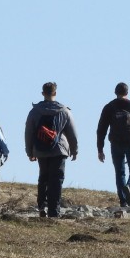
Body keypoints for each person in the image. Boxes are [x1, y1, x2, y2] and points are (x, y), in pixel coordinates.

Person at [24, 81, 78, 218]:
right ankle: (54, 211)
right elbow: (72, 133)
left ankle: (42, 206)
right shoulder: (64, 111)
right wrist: (74, 150)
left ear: (43, 93)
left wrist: (29, 151)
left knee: (43, 177)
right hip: (59, 150)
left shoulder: (34, 112)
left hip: (40, 149)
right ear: (55, 93)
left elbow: (28, 132)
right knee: (56, 179)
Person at [96, 82, 130, 207]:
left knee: (119, 172)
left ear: (115, 92)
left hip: (115, 144)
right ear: (127, 92)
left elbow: (101, 129)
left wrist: (100, 149)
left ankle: (123, 201)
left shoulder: (109, 107)